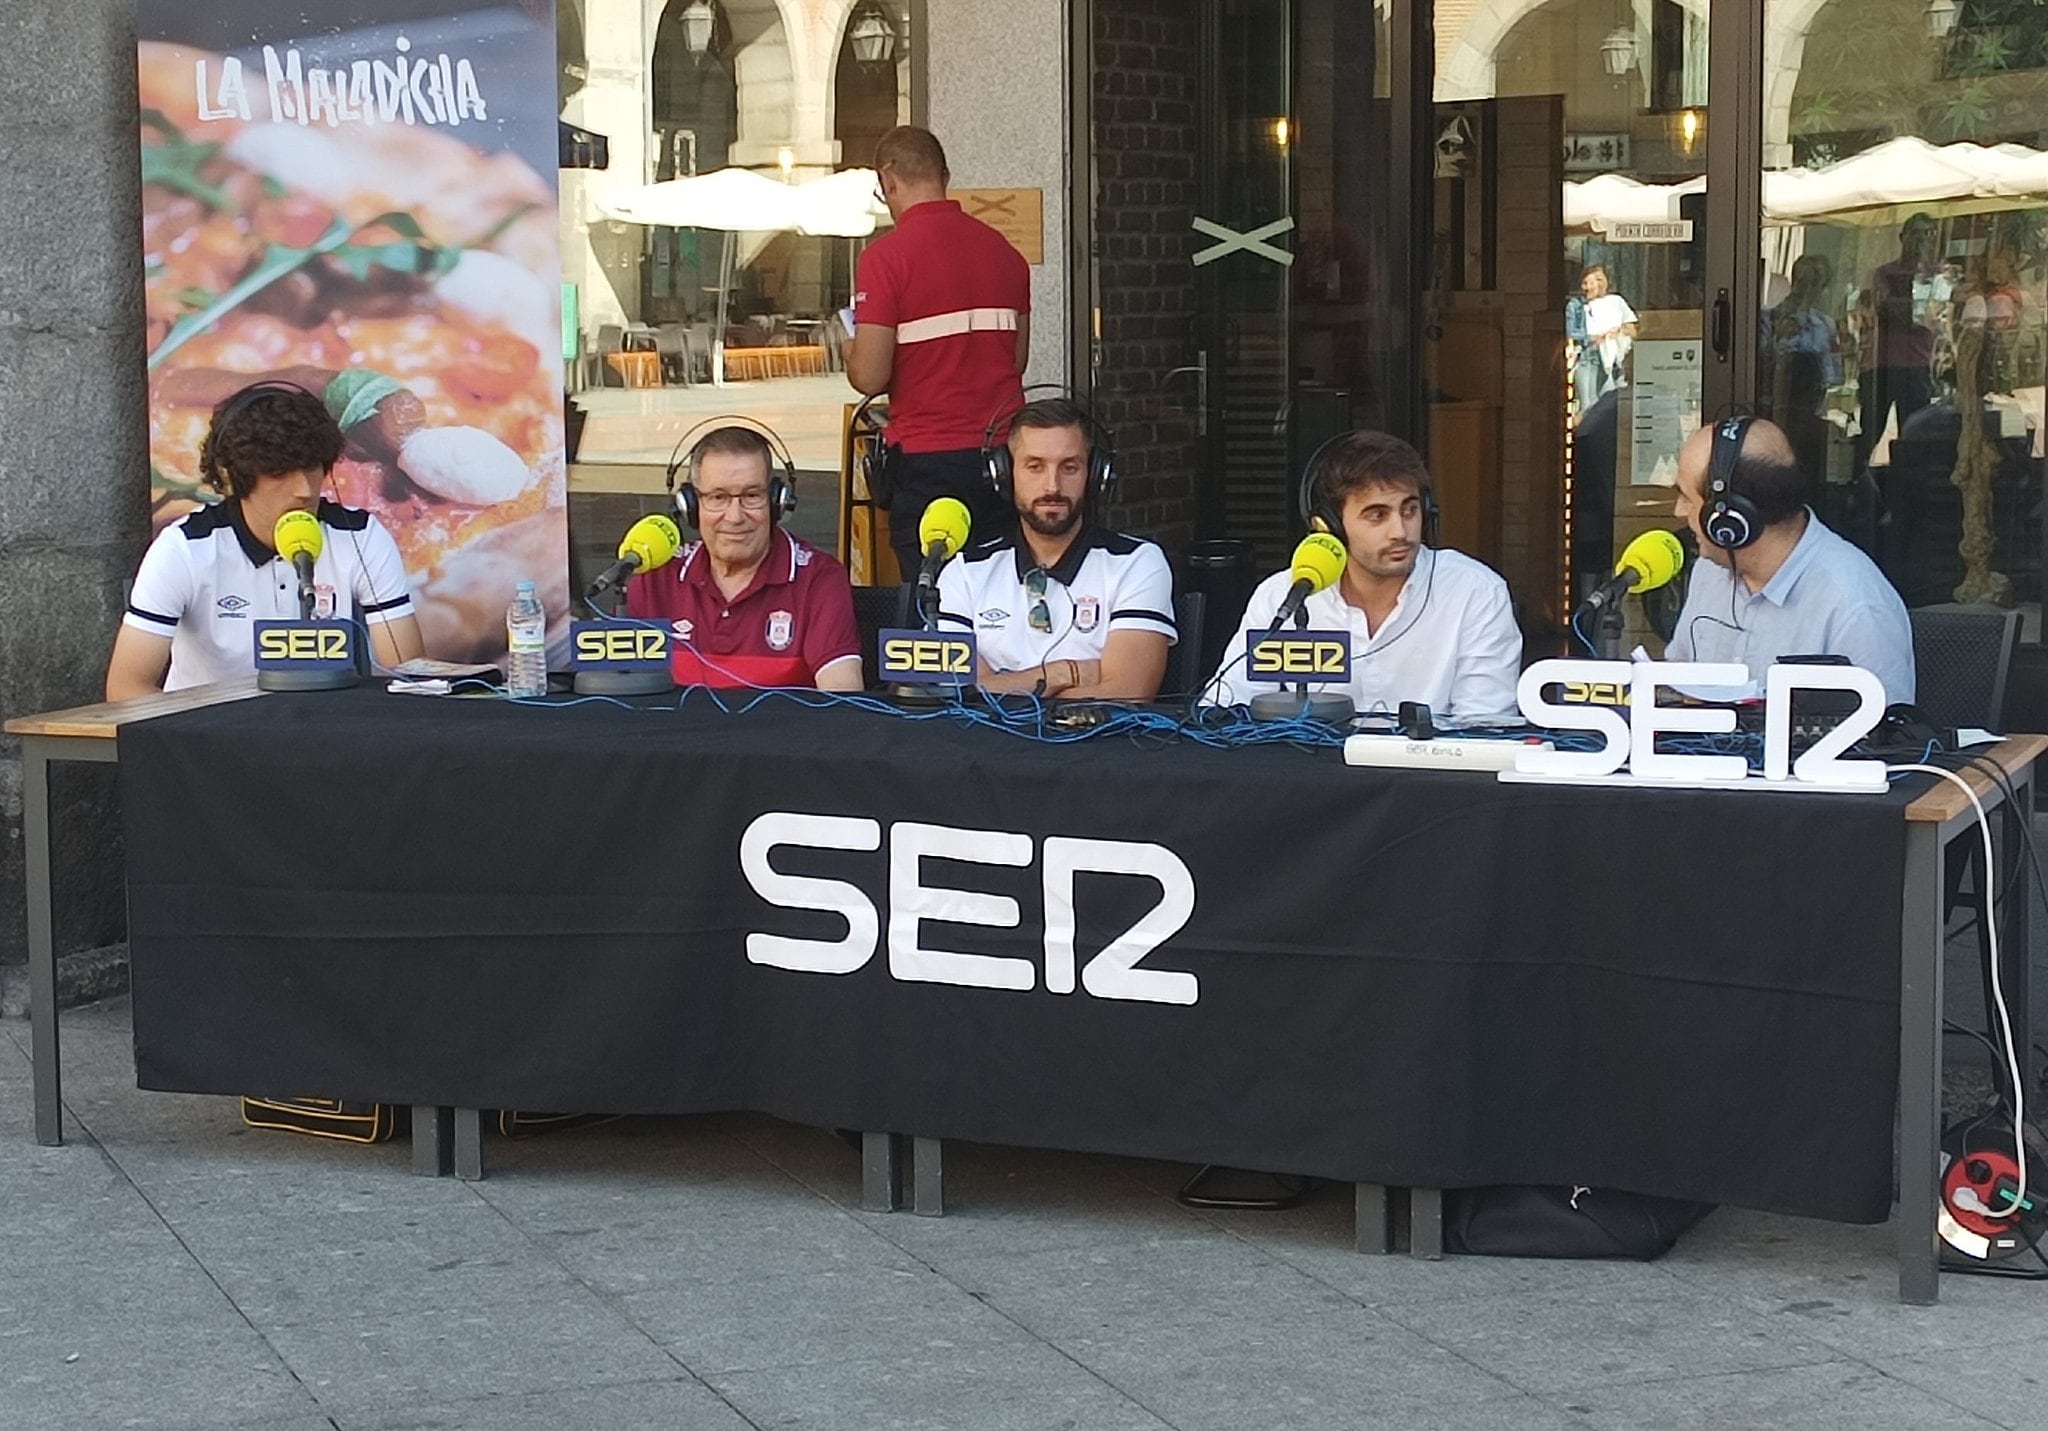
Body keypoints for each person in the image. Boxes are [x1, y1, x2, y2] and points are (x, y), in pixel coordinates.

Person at [106, 382, 424, 700]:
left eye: (312, 467)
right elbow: (126, 688)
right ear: (233, 477)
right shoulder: (185, 548)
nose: (303, 489)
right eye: (280, 472)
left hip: (329, 735)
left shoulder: (362, 537)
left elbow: (410, 677)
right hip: (214, 737)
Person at [1204, 431, 1522, 720]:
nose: (1401, 531)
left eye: (1410, 510)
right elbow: (1224, 708)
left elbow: (1484, 725)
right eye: (1377, 516)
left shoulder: (1476, 592)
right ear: (1330, 528)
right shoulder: (1282, 596)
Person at [845, 124, 1031, 577]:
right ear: (943, 175)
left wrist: (851, 343)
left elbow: (869, 377)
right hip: (1004, 455)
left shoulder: (884, 259)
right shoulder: (1005, 253)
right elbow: (1016, 361)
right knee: (1000, 591)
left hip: (928, 459)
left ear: (888, 179)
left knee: (935, 604)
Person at [933, 398, 1175, 700]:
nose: (1052, 486)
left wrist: (1005, 686)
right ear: (1004, 474)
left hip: (1096, 744)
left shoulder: (1137, 563)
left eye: (1069, 467)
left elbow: (1127, 694)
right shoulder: (964, 572)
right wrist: (1064, 673)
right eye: (1035, 466)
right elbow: (959, 694)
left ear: (1095, 475)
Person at [1667, 416, 1914, 704]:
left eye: (1686, 497)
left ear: (1731, 517)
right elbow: (1683, 688)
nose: (1677, 511)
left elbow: (1886, 742)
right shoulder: (1709, 571)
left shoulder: (1857, 607)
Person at [625, 425, 862, 691]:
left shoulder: (819, 578)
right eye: (718, 497)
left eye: (751, 496)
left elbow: (843, 697)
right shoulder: (654, 579)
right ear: (690, 506)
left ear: (777, 503)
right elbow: (624, 695)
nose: (735, 517)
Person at [1854, 213, 1942, 475]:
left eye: (1928, 234)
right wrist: (1908, 308)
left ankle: (1910, 490)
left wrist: (1904, 306)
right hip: (1881, 365)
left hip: (1916, 365)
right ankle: (1859, 488)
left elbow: (1929, 317)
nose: (1921, 240)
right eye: (1915, 233)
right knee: (1869, 434)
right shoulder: (1884, 273)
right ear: (1903, 237)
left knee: (1914, 436)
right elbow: (1883, 312)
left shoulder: (1937, 276)